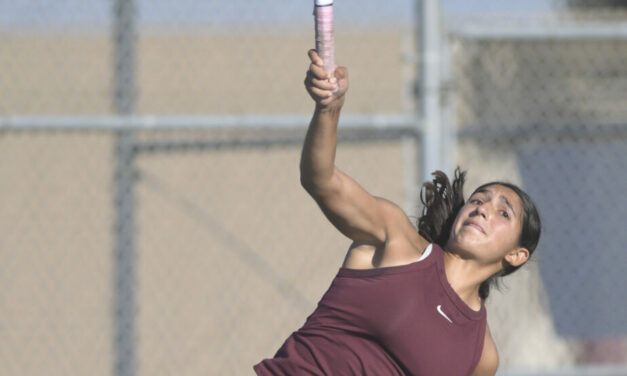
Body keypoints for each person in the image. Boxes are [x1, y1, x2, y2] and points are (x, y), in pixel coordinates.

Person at [254, 50, 541, 376]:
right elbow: (321, 179)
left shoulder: (482, 357)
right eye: (478, 200)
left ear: (517, 255)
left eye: (504, 213)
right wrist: (329, 108)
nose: (483, 209)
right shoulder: (397, 240)